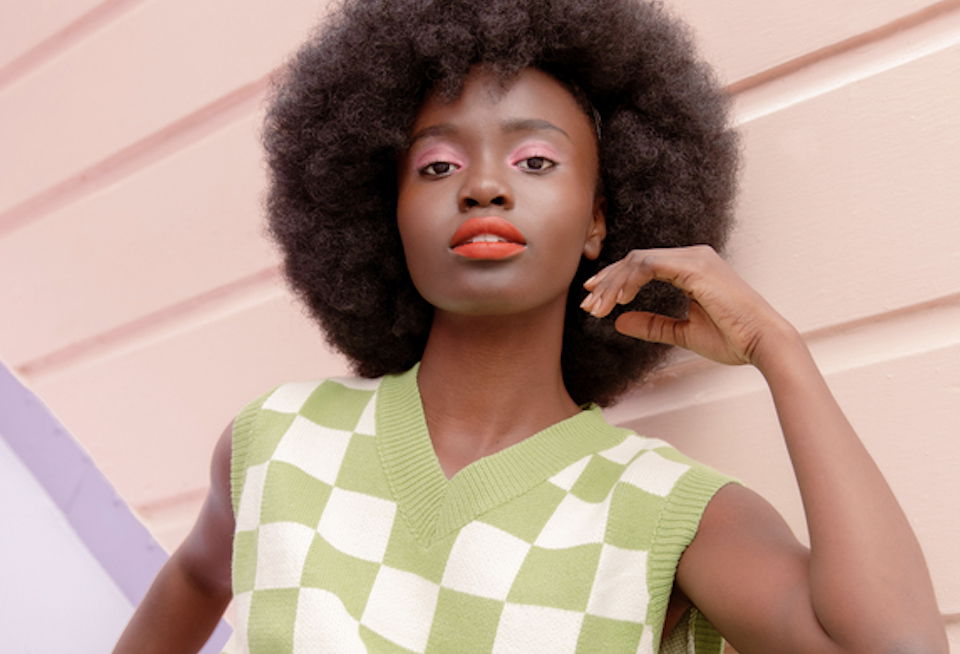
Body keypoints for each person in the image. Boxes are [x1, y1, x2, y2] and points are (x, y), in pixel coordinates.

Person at [113, 1, 947, 652]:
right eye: (438, 165)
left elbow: (894, 647)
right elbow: (195, 579)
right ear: (385, 213)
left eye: (535, 161)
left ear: (599, 220)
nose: (483, 186)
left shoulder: (668, 513)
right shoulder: (278, 440)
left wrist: (778, 350)